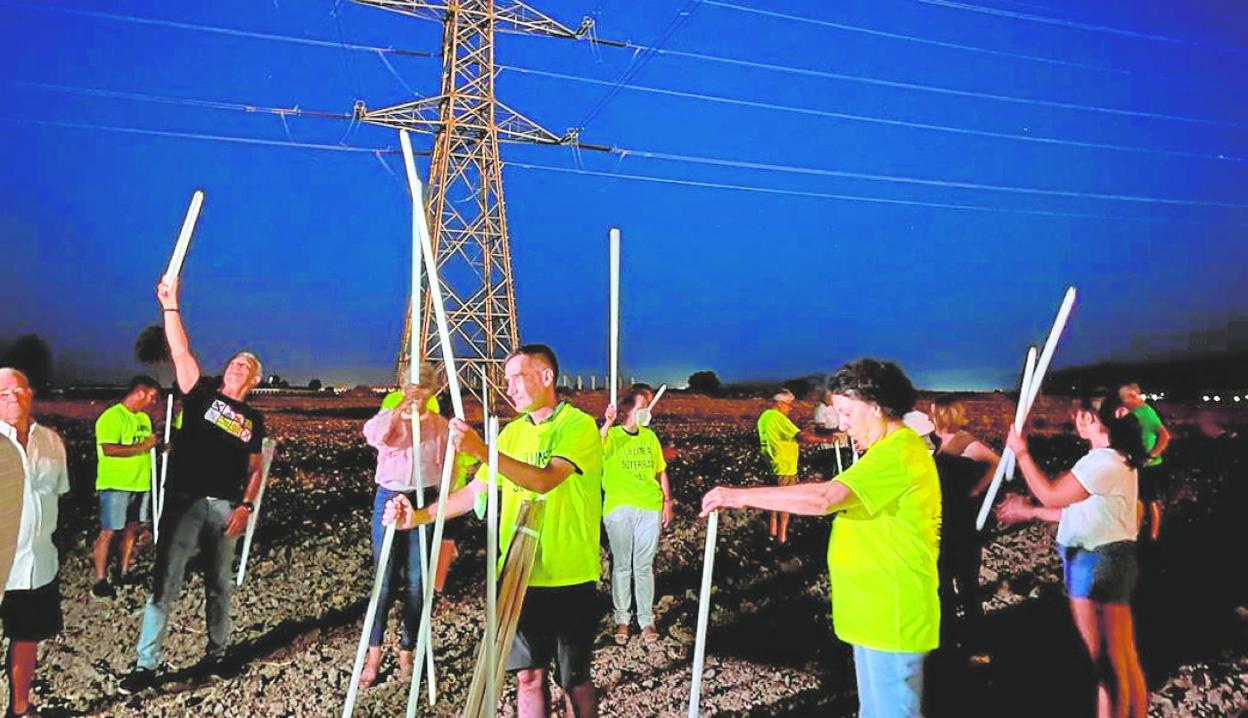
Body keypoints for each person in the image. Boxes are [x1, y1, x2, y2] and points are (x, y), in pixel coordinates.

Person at [704, 359, 940, 718]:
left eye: (847, 413)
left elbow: (825, 498)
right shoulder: (885, 450)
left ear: (875, 406)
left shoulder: (899, 453)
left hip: (891, 612)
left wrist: (740, 496)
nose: (841, 424)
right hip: (874, 611)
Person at [384, 344, 604, 718]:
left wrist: (482, 450)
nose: (510, 388)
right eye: (507, 380)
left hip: (569, 575)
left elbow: (544, 480)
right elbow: (475, 492)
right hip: (518, 574)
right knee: (527, 677)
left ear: (546, 377)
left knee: (574, 679)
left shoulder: (577, 427)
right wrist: (419, 517)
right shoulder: (511, 434)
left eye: (518, 378)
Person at [122, 277, 267, 691]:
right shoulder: (201, 394)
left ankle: (217, 655)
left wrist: (246, 506)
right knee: (164, 583)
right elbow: (180, 350)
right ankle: (145, 665)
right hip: (184, 501)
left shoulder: (253, 421)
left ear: (255, 381)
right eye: (236, 362)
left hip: (224, 508)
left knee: (219, 584)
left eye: (247, 367)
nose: (238, 367)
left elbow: (256, 468)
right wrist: (170, 306)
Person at [996, 391, 1148, 718]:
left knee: (1103, 663)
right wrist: (1029, 512)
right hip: (1112, 559)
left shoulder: (1102, 462)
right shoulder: (1116, 459)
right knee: (1121, 655)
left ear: (1093, 418)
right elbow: (1077, 512)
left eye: (1081, 414)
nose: (1076, 420)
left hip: (1094, 563)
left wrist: (1021, 453)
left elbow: (1052, 495)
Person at [357, 377, 450, 689]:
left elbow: (450, 467)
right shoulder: (389, 416)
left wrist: (448, 512)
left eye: (423, 386)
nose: (416, 392)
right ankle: (373, 655)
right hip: (390, 496)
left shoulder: (440, 426)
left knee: (417, 581)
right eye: (412, 386)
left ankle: (407, 651)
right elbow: (373, 435)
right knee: (383, 580)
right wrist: (399, 411)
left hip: (424, 499)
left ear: (432, 390)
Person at [0, 368, 69, 718]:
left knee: (26, 637)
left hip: (37, 564)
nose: (13, 398)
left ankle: (20, 708)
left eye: (19, 390)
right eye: (3, 393)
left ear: (31, 393)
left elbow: (57, 494)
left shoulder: (51, 441)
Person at [928, 396, 1000, 664]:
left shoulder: (965, 442)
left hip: (961, 520)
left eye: (933, 412)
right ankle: (946, 642)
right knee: (942, 584)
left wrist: (978, 489)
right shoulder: (938, 441)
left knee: (967, 585)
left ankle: (976, 646)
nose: (930, 416)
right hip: (942, 518)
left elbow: (997, 462)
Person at [599, 390, 671, 646]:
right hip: (619, 508)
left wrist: (667, 501)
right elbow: (594, 447)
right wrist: (607, 422)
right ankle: (622, 618)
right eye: (643, 405)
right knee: (621, 565)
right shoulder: (613, 436)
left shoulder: (650, 437)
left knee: (643, 566)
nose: (648, 411)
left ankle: (646, 620)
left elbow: (660, 470)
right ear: (628, 409)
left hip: (649, 507)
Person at [91, 375, 161, 599]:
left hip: (141, 483)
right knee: (109, 530)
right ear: (140, 393)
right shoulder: (112, 417)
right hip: (116, 485)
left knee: (132, 528)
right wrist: (144, 446)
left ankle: (123, 571)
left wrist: (158, 448)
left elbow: (146, 447)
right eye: (152, 396)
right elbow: (109, 449)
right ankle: (100, 579)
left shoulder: (143, 419)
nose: (154, 401)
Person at [756, 389, 827, 544]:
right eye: (789, 405)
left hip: (771, 464)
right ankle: (782, 537)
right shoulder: (778, 417)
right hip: (785, 466)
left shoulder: (764, 417)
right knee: (785, 502)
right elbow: (801, 436)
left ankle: (772, 532)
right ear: (780, 404)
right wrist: (826, 439)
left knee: (772, 501)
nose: (790, 409)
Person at [1118, 383, 1171, 540]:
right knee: (1140, 498)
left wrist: (1152, 456)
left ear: (1133, 396)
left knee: (1150, 500)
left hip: (1149, 465)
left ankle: (1153, 535)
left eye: (1124, 398)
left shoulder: (1146, 413)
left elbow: (1165, 435)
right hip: (1140, 462)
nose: (1123, 402)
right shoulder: (1135, 412)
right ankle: (1138, 533)